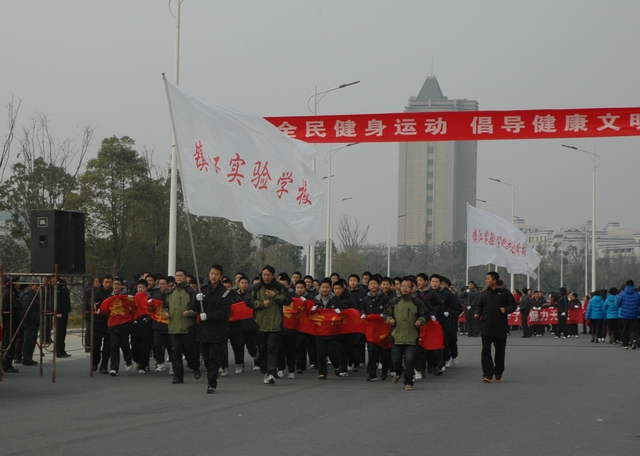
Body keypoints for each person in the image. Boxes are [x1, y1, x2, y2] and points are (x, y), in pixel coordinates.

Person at [384, 278, 429, 391]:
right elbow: (385, 313)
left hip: (411, 337)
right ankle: (399, 372)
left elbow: (426, 314)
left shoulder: (417, 302)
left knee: (409, 360)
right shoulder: (394, 301)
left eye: (407, 286)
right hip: (396, 336)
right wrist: (389, 319)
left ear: (412, 288)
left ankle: (408, 382)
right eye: (402, 286)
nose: (404, 288)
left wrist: (421, 321)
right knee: (395, 360)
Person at [474, 272, 517, 382]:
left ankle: (498, 372)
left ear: (494, 280)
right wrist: (477, 313)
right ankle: (487, 374)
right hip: (486, 326)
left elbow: (513, 305)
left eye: (488, 278)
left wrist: (506, 310)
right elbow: (479, 306)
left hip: (500, 327)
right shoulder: (484, 293)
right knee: (485, 350)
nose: (486, 280)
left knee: (500, 351)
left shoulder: (505, 293)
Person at [197, 264, 233, 394]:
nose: (213, 276)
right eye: (212, 273)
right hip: (204, 330)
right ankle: (212, 372)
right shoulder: (203, 289)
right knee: (206, 357)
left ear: (221, 276)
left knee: (213, 357)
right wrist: (197, 301)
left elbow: (224, 312)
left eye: (216, 274)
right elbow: (196, 308)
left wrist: (209, 316)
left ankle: (211, 383)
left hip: (217, 331)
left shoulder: (225, 293)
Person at [163, 269, 201, 384]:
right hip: (173, 327)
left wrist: (189, 313)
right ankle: (178, 376)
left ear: (185, 277)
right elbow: (165, 306)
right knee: (176, 352)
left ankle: (195, 366)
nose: (178, 278)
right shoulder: (170, 293)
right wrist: (166, 313)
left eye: (181, 276)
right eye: (177, 276)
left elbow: (197, 309)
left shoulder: (191, 292)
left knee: (189, 351)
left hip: (187, 327)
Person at [251, 265, 286, 384]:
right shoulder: (255, 288)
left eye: (268, 275)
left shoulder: (279, 287)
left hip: (275, 324)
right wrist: (260, 304)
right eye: (264, 275)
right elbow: (247, 301)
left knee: (272, 348)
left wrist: (275, 296)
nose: (266, 277)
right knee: (262, 349)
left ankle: (271, 372)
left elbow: (288, 300)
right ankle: (265, 369)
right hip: (259, 324)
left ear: (273, 276)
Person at [98, 277, 135, 376]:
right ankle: (114, 368)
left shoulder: (128, 297)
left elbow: (134, 308)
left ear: (122, 285)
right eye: (114, 284)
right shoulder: (109, 297)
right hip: (112, 324)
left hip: (124, 324)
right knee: (114, 346)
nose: (115, 286)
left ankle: (128, 360)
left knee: (125, 345)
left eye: (118, 284)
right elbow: (105, 309)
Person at [361, 275, 391, 381]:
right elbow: (363, 308)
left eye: (375, 284)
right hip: (371, 329)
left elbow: (388, 310)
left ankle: (385, 370)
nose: (373, 286)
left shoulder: (384, 298)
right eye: (370, 284)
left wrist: (384, 315)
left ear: (378, 285)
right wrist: (363, 314)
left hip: (382, 328)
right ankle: (371, 374)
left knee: (385, 351)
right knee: (372, 351)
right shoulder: (366, 298)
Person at [2, 277, 22, 373]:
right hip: (9, 323)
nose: (18, 284)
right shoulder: (7, 293)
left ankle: (8, 363)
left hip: (15, 321)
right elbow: (6, 309)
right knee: (8, 343)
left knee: (12, 343)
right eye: (16, 282)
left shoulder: (14, 292)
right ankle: (6, 364)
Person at [20, 278, 41, 366]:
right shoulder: (28, 295)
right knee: (28, 340)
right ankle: (26, 358)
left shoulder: (35, 294)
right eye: (36, 285)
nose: (38, 287)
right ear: (31, 285)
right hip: (29, 321)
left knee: (32, 340)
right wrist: (31, 319)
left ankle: (29, 357)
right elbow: (26, 309)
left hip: (34, 320)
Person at [617, 280, 640, 349]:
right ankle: (634, 340)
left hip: (624, 314)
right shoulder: (637, 294)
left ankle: (625, 344)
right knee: (632, 329)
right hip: (634, 314)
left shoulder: (622, 294)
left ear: (626, 285)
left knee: (625, 329)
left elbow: (618, 303)